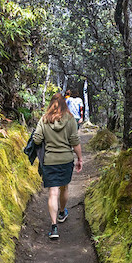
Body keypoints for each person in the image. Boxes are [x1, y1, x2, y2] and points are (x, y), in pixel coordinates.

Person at [33, 93, 83, 239]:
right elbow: (75, 142)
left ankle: (54, 228)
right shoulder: (71, 120)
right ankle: (62, 213)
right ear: (64, 105)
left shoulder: (44, 119)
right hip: (66, 160)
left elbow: (37, 139)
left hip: (50, 161)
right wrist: (80, 158)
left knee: (53, 192)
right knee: (64, 188)